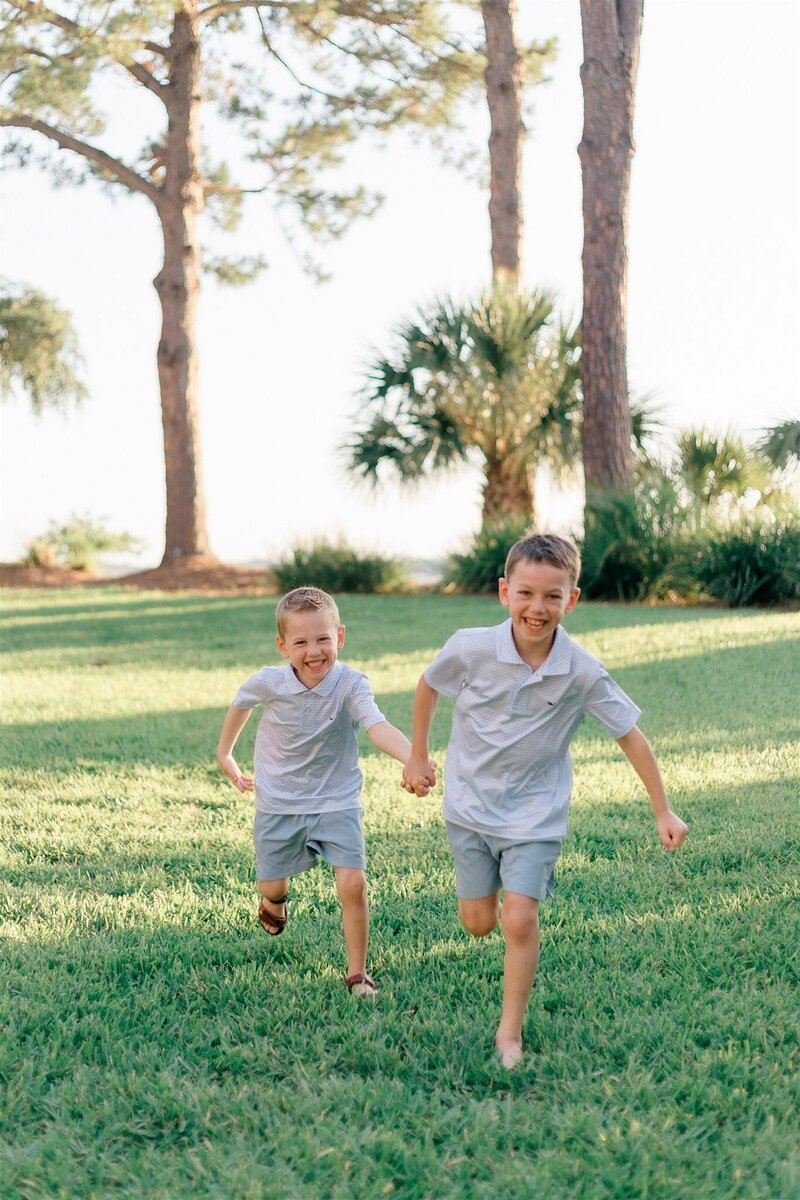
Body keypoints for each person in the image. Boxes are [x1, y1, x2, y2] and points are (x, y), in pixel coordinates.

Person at [402, 533, 688, 1067]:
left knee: (518, 919)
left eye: (552, 596)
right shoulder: (472, 646)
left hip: (535, 814)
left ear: (571, 600)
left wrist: (662, 809)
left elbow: (630, 735)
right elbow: (428, 686)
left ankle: (509, 1034)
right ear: (505, 592)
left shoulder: (581, 670)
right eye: (527, 593)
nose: (538, 608)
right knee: (478, 923)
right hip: (468, 805)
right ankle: (488, 905)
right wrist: (417, 755)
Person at [217, 585, 434, 999]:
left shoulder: (351, 683)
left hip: (337, 799)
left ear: (340, 638)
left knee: (353, 883)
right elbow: (241, 702)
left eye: (323, 639)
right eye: (301, 641)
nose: (313, 650)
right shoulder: (270, 682)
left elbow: (377, 726)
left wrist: (413, 758)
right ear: (283, 646)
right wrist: (225, 753)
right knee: (271, 885)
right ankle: (276, 904)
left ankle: (357, 974)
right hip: (279, 801)